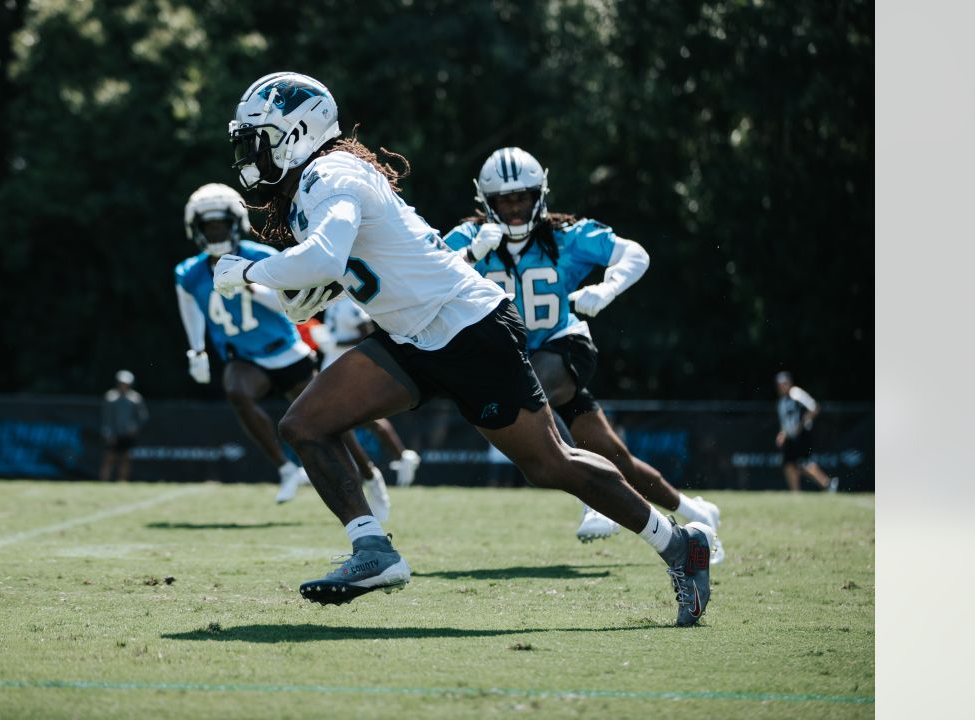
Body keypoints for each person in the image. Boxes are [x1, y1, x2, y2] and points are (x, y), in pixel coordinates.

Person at [214, 72, 715, 626]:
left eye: (257, 137)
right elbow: (340, 274)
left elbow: (326, 259)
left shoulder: (330, 173)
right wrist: (299, 292)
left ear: (296, 132)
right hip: (409, 335)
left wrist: (249, 268)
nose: (249, 153)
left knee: (550, 463)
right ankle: (372, 551)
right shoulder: (316, 182)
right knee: (305, 423)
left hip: (467, 324)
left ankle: (678, 543)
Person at [443, 147, 722, 562]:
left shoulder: (566, 236)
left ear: (540, 195)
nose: (516, 208)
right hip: (518, 359)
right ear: (487, 202)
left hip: (563, 348)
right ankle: (697, 511)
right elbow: (425, 275)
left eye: (523, 197)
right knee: (617, 459)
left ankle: (592, 499)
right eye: (505, 200)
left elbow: (635, 254)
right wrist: (470, 256)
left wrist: (606, 290)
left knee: (525, 385)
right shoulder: (468, 239)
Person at [175, 182, 391, 517]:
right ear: (196, 229)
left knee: (329, 420)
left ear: (236, 223)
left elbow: (289, 303)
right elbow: (189, 307)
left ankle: (370, 475)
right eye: (209, 225)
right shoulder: (189, 273)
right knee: (236, 389)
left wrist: (247, 283)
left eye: (221, 223)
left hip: (287, 351)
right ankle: (287, 468)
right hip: (246, 357)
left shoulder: (259, 257)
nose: (216, 231)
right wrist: (196, 351)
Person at [311, 295, 422, 487]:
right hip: (332, 364)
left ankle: (363, 470)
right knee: (349, 417)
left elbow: (367, 334)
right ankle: (398, 458)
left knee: (338, 417)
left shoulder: (352, 303)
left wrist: (336, 343)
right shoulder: (332, 303)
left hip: (347, 367)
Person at [775, 371, 837, 492]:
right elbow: (784, 422)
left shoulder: (796, 394)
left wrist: (801, 424)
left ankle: (828, 484)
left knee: (804, 464)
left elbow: (814, 408)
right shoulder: (781, 402)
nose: (782, 386)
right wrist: (782, 433)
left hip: (801, 436)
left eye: (784, 383)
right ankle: (795, 493)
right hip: (789, 437)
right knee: (788, 464)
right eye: (780, 384)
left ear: (789, 383)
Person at [100, 370, 148, 482]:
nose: (123, 386)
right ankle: (103, 481)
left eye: (125, 383)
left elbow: (143, 417)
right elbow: (106, 418)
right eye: (121, 383)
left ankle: (123, 482)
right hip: (114, 434)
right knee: (109, 458)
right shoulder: (110, 397)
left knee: (126, 459)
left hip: (128, 435)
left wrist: (135, 427)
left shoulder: (136, 398)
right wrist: (108, 433)